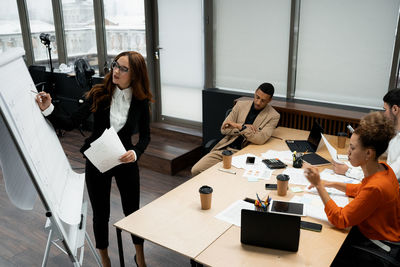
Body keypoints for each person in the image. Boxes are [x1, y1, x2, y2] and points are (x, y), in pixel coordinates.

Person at [36, 51, 151, 267]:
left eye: (123, 68)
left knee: (133, 211)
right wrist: (48, 108)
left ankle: (140, 256)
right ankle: (105, 260)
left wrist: (135, 152)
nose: (116, 71)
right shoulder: (99, 93)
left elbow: (145, 136)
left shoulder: (141, 101)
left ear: (135, 74)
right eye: (116, 65)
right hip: (98, 160)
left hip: (126, 160)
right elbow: (70, 123)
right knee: (101, 214)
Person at [304, 112, 400, 266]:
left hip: (377, 247)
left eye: (352, 148)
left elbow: (341, 219)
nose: (348, 152)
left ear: (368, 153)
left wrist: (319, 185)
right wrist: (330, 183)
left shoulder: (376, 187)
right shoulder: (384, 169)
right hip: (386, 238)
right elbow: (361, 189)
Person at [191, 83, 280, 176]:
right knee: (196, 170)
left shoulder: (273, 116)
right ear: (255, 93)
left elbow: (260, 139)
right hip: (226, 149)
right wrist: (242, 126)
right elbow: (224, 129)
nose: (258, 102)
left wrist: (241, 127)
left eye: (263, 100)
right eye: (257, 97)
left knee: (232, 179)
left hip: (246, 154)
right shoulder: (240, 105)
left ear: (269, 100)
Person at [332, 89, 400, 182]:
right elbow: (380, 149)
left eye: (385, 109)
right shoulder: (396, 133)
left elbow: (390, 176)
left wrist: (348, 171)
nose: (384, 114)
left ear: (395, 109)